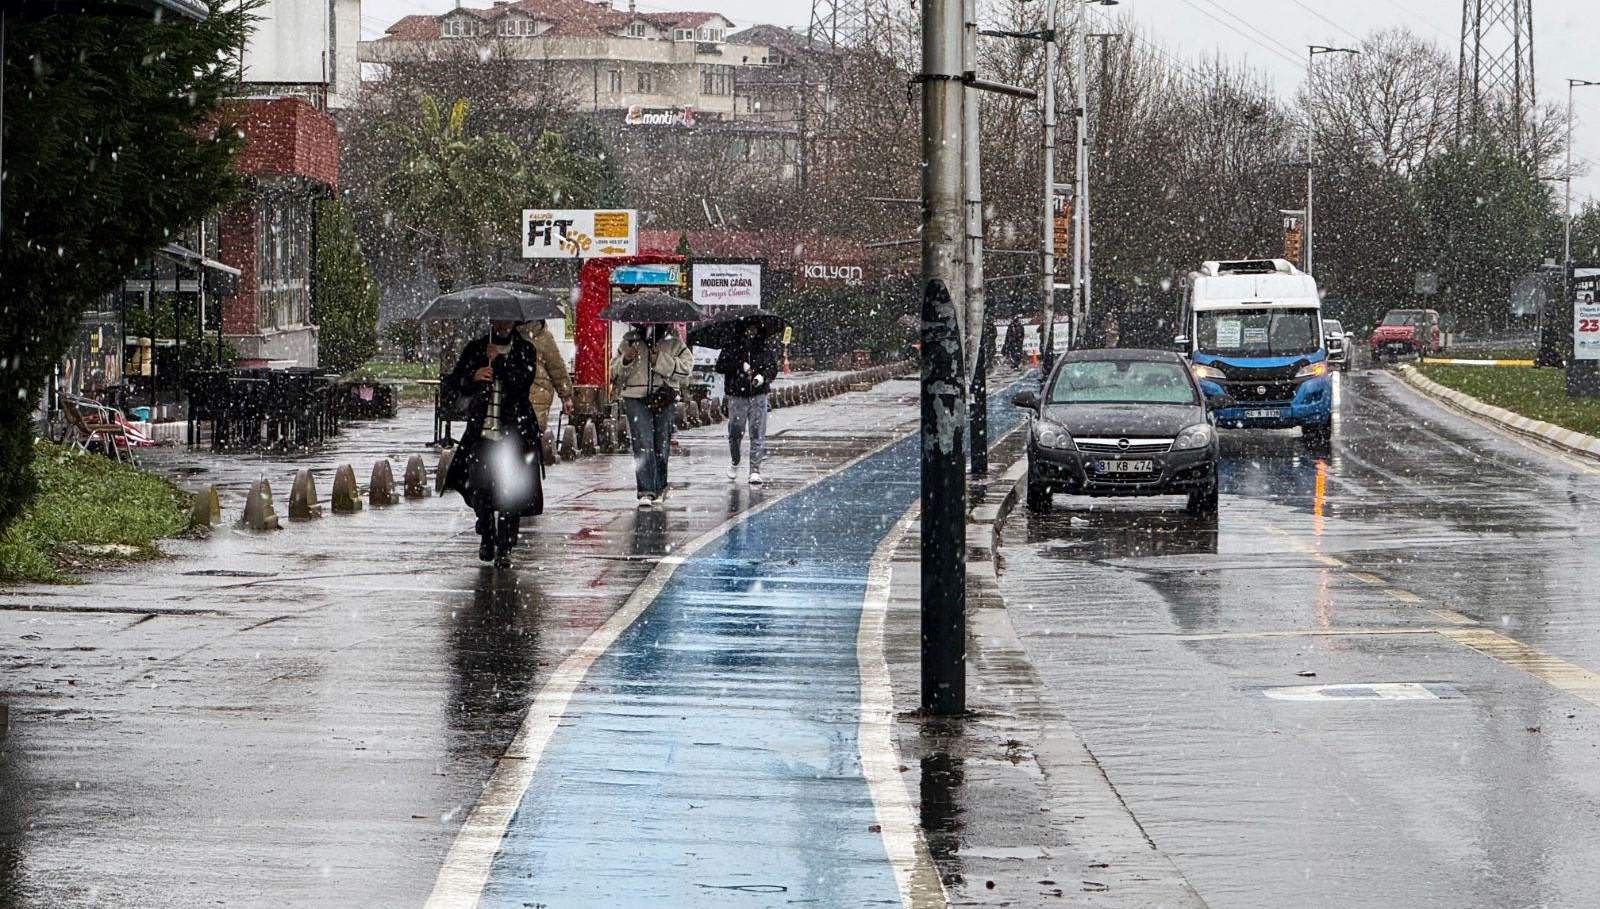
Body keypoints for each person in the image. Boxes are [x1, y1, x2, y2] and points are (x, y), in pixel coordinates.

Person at [442, 320, 543, 568]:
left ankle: (505, 546)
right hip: (482, 432)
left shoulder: (525, 350)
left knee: (510, 490)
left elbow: (521, 384)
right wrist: (473, 376)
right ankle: (486, 531)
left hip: (514, 433)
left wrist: (498, 361)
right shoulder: (477, 348)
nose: (503, 324)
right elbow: (455, 383)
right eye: (498, 318)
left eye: (508, 318)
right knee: (479, 485)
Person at [611, 323, 692, 508]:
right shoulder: (629, 340)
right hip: (635, 397)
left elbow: (687, 368)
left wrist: (661, 361)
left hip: (663, 397)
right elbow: (614, 371)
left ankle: (659, 486)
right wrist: (627, 359)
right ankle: (645, 490)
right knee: (642, 443)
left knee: (661, 444)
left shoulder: (673, 340)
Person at [715, 318, 779, 485]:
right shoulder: (731, 346)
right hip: (737, 395)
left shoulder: (763, 347)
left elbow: (772, 367)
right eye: (748, 329)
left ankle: (755, 470)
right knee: (736, 431)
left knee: (757, 432)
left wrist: (762, 377)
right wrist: (739, 365)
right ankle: (735, 460)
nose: (752, 332)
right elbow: (720, 366)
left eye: (754, 329)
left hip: (759, 395)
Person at [517, 319, 575, 435]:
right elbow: (557, 368)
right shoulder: (507, 337)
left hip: (534, 397)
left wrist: (566, 396)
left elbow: (556, 368)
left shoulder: (543, 337)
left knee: (527, 438)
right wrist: (566, 397)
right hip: (529, 397)